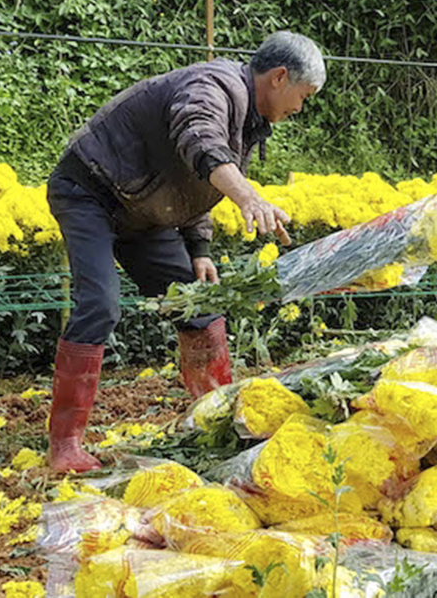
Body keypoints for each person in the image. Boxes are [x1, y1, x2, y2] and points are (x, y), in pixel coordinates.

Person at [45, 31, 326, 473]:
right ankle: (65, 445)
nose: (300, 108)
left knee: (201, 310)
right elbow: (199, 140)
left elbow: (194, 182)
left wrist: (199, 249)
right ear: (280, 77)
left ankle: (215, 423)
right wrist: (249, 198)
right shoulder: (213, 87)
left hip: (143, 211)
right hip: (91, 192)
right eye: (304, 96)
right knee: (100, 303)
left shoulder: (248, 117)